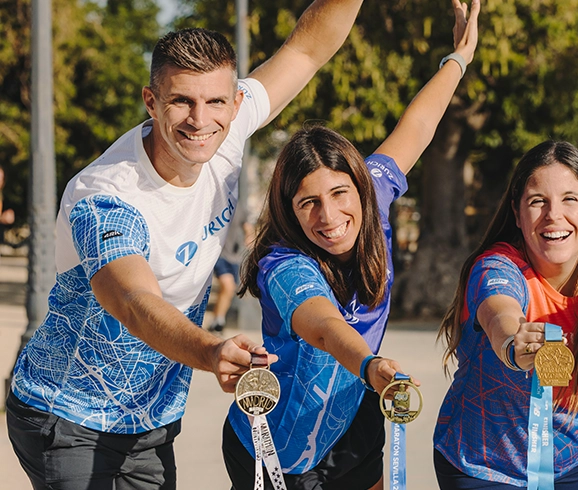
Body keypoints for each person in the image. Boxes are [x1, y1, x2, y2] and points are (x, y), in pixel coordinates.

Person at [7, 1, 366, 487]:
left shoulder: (225, 129)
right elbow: (134, 302)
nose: (200, 120)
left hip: (150, 419)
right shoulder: (106, 197)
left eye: (215, 102)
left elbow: (308, 48)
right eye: (181, 101)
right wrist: (210, 350)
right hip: (68, 415)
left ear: (235, 104)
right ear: (151, 101)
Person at [220, 1, 480, 487]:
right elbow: (324, 327)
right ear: (289, 209)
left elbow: (418, 126)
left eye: (340, 193)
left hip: (353, 420)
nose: (330, 216)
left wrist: (459, 57)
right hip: (278, 447)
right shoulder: (284, 262)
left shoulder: (374, 194)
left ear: (359, 188)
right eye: (309, 202)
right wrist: (369, 362)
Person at [434, 140, 578, 489]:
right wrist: (513, 342)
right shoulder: (497, 268)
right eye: (538, 201)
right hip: (484, 466)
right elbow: (499, 313)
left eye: (570, 199)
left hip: (574, 461)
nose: (554, 215)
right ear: (517, 213)